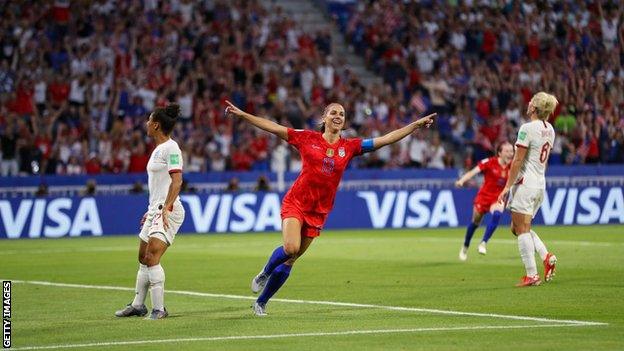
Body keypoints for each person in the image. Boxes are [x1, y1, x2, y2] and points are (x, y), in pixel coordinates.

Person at [224, 100, 436, 316]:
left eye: (342, 114)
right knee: (291, 248)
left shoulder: (350, 147)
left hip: (319, 211)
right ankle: (265, 272)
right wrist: (243, 115)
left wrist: (415, 125)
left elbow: (385, 139)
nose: (338, 116)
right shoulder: (306, 138)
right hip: (296, 202)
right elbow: (273, 127)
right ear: (324, 117)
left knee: (291, 260)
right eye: (333, 112)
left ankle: (261, 302)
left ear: (344, 122)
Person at [115, 103, 185, 319]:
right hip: (155, 209)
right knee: (142, 257)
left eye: (148, 120)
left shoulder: (172, 148)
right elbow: (160, 184)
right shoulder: (158, 150)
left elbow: (177, 181)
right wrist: (153, 208)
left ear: (155, 125)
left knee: (152, 256)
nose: (145, 123)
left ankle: (159, 309)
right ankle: (138, 305)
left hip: (168, 210)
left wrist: (166, 207)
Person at [497, 92, 558, 287]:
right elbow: (544, 161)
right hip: (540, 183)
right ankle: (546, 257)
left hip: (525, 183)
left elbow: (517, 159)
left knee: (521, 229)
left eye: (531, 101)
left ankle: (532, 275)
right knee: (517, 228)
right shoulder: (550, 129)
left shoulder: (527, 128)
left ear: (534, 108)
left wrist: (507, 186)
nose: (528, 102)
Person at [455, 141, 514, 260]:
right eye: (507, 151)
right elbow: (473, 172)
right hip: (483, 197)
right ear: (499, 153)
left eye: (512, 151)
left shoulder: (513, 166)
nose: (510, 154)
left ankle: (483, 242)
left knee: (497, 214)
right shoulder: (490, 162)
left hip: (497, 198)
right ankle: (465, 246)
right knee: (475, 222)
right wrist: (462, 181)